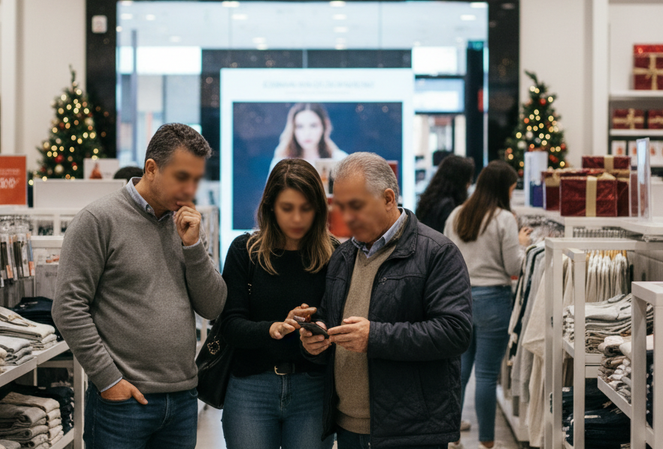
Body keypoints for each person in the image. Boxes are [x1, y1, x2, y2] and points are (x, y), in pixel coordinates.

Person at [52, 123, 227, 449]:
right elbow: (68, 308)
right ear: (151, 168)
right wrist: (109, 381)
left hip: (182, 398)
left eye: (196, 180)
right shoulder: (97, 221)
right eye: (182, 177)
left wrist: (193, 248)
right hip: (123, 401)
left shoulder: (188, 224)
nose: (190, 189)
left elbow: (213, 306)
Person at [300, 152, 472, 449]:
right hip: (347, 427)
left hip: (411, 431)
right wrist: (314, 338)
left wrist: (375, 336)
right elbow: (330, 316)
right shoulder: (342, 256)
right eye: (341, 206)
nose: (347, 216)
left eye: (356, 206)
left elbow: (455, 332)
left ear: (389, 198)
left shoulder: (437, 253)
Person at [220, 158, 336, 449]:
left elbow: (338, 319)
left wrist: (318, 328)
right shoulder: (245, 251)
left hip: (313, 388)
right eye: (287, 208)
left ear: (319, 209)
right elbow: (229, 325)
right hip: (251, 388)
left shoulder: (336, 255)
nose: (297, 218)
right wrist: (273, 328)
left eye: (306, 208)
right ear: (271, 206)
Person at [443, 160, 532, 449]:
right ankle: (487, 441)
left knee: (460, 370)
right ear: (504, 188)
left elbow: (445, 259)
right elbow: (512, 266)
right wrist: (523, 245)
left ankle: (452, 435)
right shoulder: (504, 218)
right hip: (493, 300)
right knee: (485, 374)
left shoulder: (457, 214)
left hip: (457, 299)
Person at [270, 103, 348, 171]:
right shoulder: (281, 162)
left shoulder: (340, 160)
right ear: (292, 129)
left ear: (324, 126)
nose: (307, 133)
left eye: (313, 125)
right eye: (300, 126)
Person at [416, 155, 475, 234]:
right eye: (468, 179)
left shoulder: (429, 198)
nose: (469, 184)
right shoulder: (448, 206)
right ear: (460, 180)